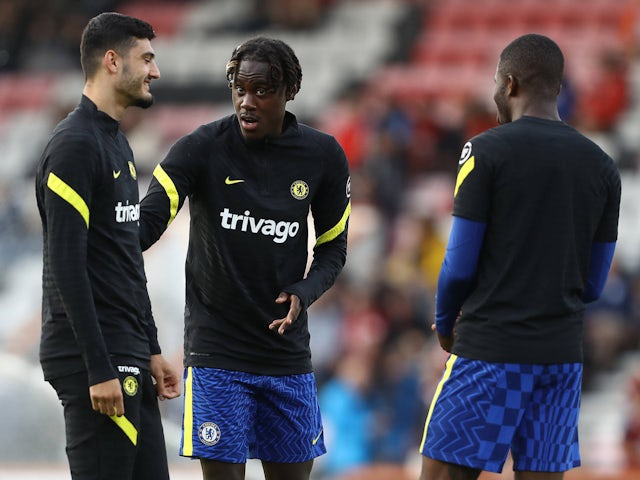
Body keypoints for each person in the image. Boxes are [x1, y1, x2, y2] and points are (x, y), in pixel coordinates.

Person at [139, 36, 351, 480]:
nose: (246, 102)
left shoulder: (323, 156)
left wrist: (305, 291)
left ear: (290, 91)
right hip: (217, 353)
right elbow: (142, 228)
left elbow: (334, 248)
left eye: (262, 90)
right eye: (239, 88)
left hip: (286, 356)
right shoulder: (200, 147)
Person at [419, 34, 621, 480]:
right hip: (561, 357)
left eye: (495, 81)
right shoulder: (602, 166)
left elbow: (459, 264)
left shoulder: (484, 150)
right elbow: (592, 284)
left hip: (489, 351)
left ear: (509, 84)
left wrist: (446, 323)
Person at [34, 12, 181, 480]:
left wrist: (151, 346)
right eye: (147, 58)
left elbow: (124, 258)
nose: (155, 71)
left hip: (127, 348)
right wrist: (97, 367)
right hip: (95, 359)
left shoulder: (116, 143)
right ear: (113, 61)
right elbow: (65, 263)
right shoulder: (75, 144)